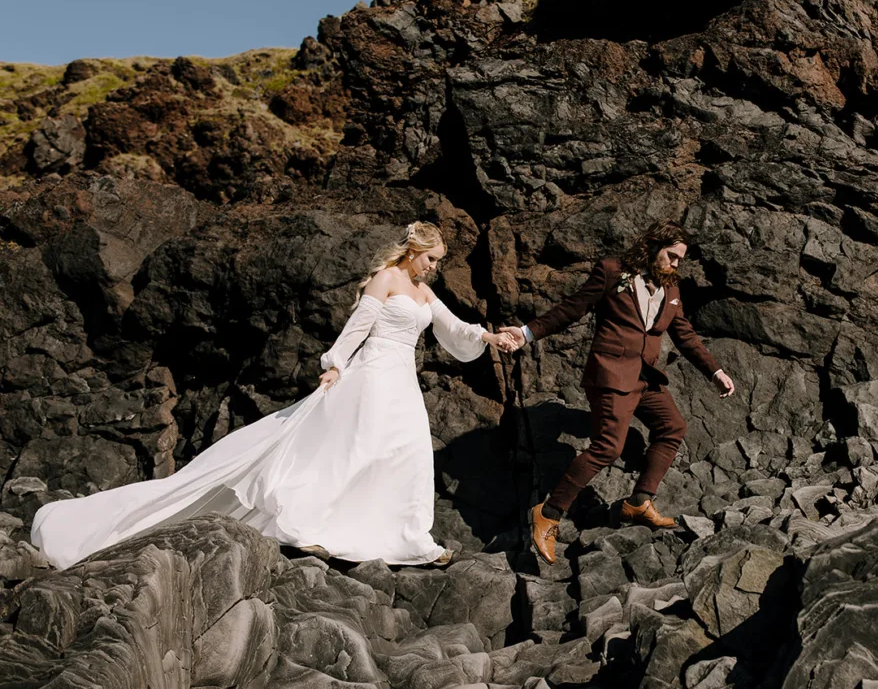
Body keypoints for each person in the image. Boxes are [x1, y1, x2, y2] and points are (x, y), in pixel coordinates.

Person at [31, 221, 520, 570]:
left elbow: (453, 327)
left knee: (407, 454)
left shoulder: (423, 292)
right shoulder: (387, 279)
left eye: (437, 263)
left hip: (401, 385)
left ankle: (410, 538)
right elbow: (358, 327)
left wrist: (490, 338)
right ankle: (309, 526)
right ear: (414, 250)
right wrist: (334, 366)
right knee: (354, 451)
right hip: (370, 377)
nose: (434, 269)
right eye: (432, 260)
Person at [502, 221, 736, 565]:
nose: (675, 264)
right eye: (671, 256)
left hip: (647, 379)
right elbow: (572, 308)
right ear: (653, 246)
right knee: (608, 447)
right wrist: (526, 334)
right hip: (611, 375)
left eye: (679, 260)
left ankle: (639, 501)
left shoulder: (671, 290)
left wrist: (714, 372)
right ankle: (548, 514)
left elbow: (684, 335)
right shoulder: (612, 272)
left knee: (672, 427)